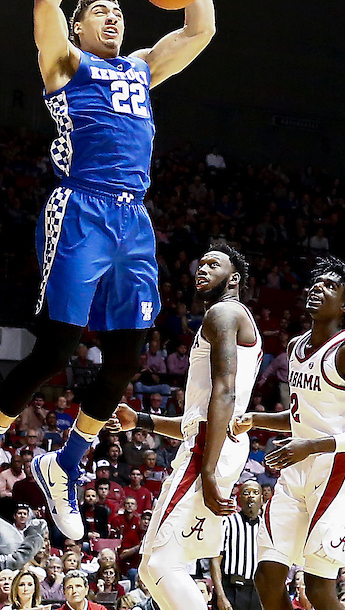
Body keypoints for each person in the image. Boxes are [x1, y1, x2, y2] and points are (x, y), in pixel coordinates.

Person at [0, 0, 217, 540]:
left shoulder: (144, 68)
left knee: (127, 355)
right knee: (57, 349)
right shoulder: (66, 63)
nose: (114, 18)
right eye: (101, 10)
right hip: (81, 208)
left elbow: (199, 31)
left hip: (134, 218)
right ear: (79, 26)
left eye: (119, 10)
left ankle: (64, 463)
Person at [108, 245, 258, 610]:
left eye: (213, 264)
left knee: (160, 564)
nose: (201, 268)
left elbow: (224, 392)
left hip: (210, 450)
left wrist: (207, 471)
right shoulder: (229, 317)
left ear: (234, 278)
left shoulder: (224, 312)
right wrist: (140, 420)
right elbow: (199, 420)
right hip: (210, 441)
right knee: (150, 566)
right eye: (200, 262)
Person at [233, 256, 345, 610]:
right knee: (267, 577)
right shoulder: (295, 347)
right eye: (317, 283)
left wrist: (312, 445)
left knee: (317, 586)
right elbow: (301, 416)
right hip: (298, 469)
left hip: (339, 469)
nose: (318, 288)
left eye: (331, 286)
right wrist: (256, 418)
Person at [210, 481, 263, 610]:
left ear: (261, 499)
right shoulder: (227, 522)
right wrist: (221, 595)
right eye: (246, 493)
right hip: (231, 589)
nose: (251, 496)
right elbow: (215, 560)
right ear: (239, 499)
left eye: (255, 493)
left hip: (257, 592)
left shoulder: (266, 527)